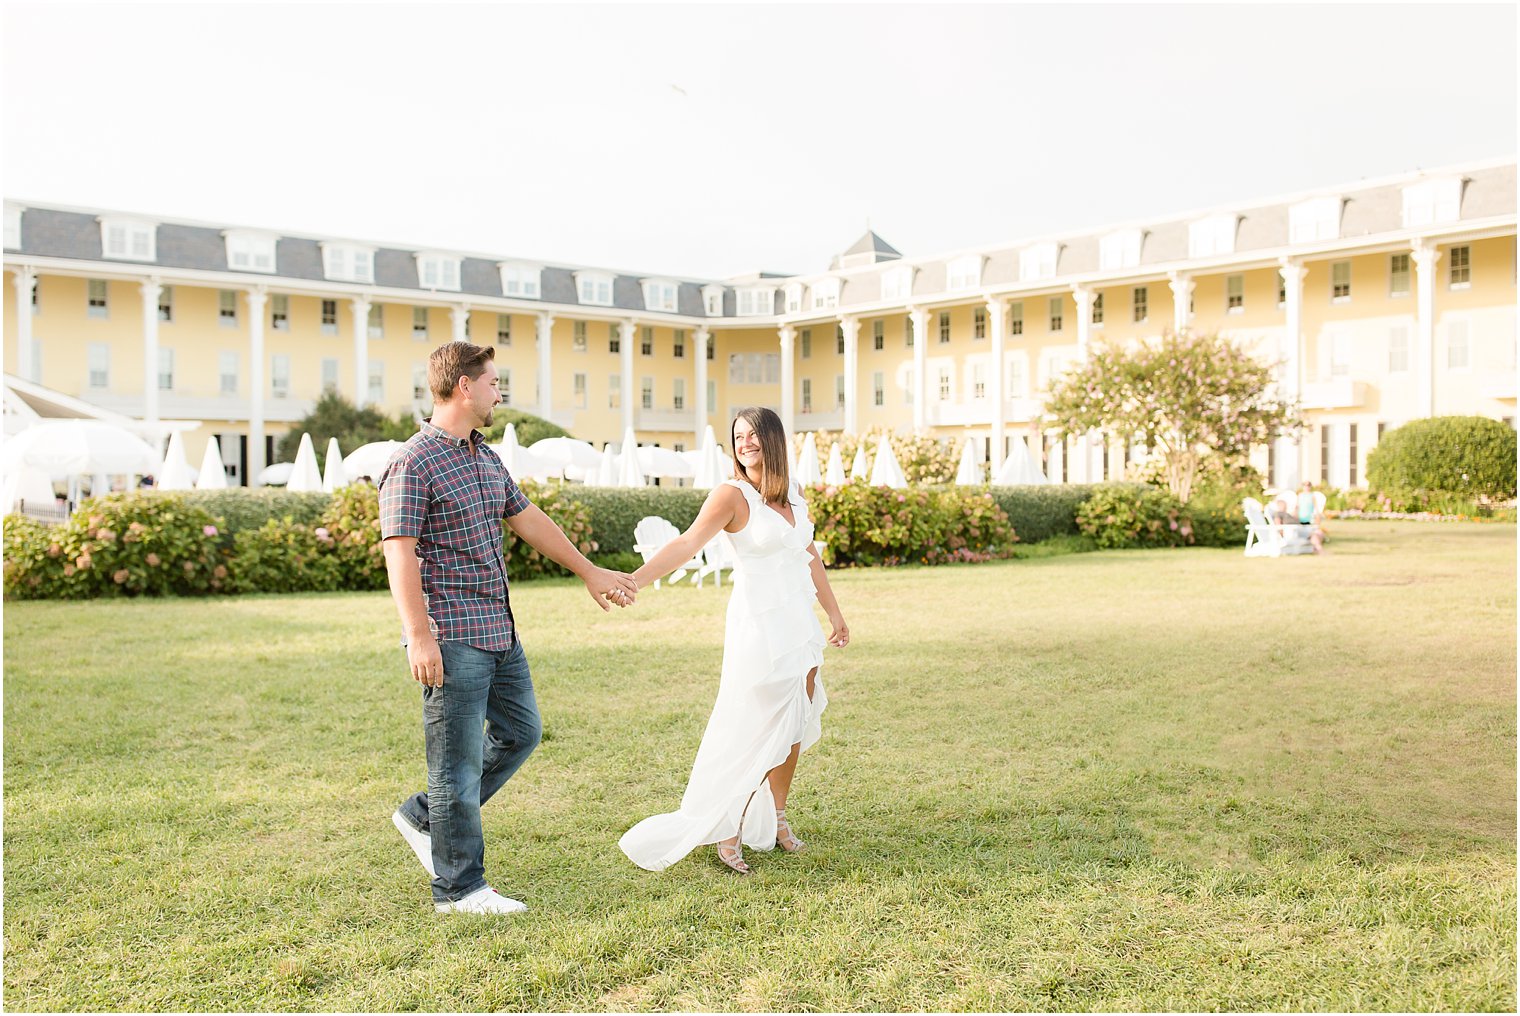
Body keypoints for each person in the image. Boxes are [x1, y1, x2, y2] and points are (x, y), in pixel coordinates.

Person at [379, 341, 638, 916]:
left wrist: (589, 571)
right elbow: (398, 552)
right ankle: (459, 890)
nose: (501, 393)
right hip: (452, 633)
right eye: (494, 382)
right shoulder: (413, 461)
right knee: (456, 766)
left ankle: (426, 819)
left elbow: (527, 519)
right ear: (465, 387)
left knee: (521, 732)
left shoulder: (483, 456)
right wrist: (418, 636)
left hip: (499, 629)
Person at [619, 407, 849, 875]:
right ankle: (729, 824)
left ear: (773, 439)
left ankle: (779, 818)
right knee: (752, 727)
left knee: (795, 726)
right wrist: (635, 581)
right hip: (757, 627)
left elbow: (809, 557)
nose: (744, 443)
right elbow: (687, 544)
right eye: (737, 436)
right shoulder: (731, 495)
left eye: (752, 435)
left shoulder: (795, 495)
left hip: (798, 626)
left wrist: (835, 613)